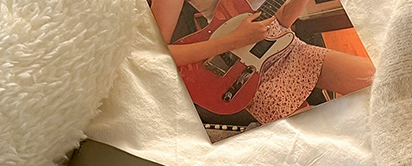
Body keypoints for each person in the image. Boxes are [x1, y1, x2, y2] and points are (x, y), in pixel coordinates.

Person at [150, 0, 375, 124]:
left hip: (286, 47)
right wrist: (235, 40)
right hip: (243, 73)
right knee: (320, 137)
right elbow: (157, 53)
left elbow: (280, 19)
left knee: (378, 80)